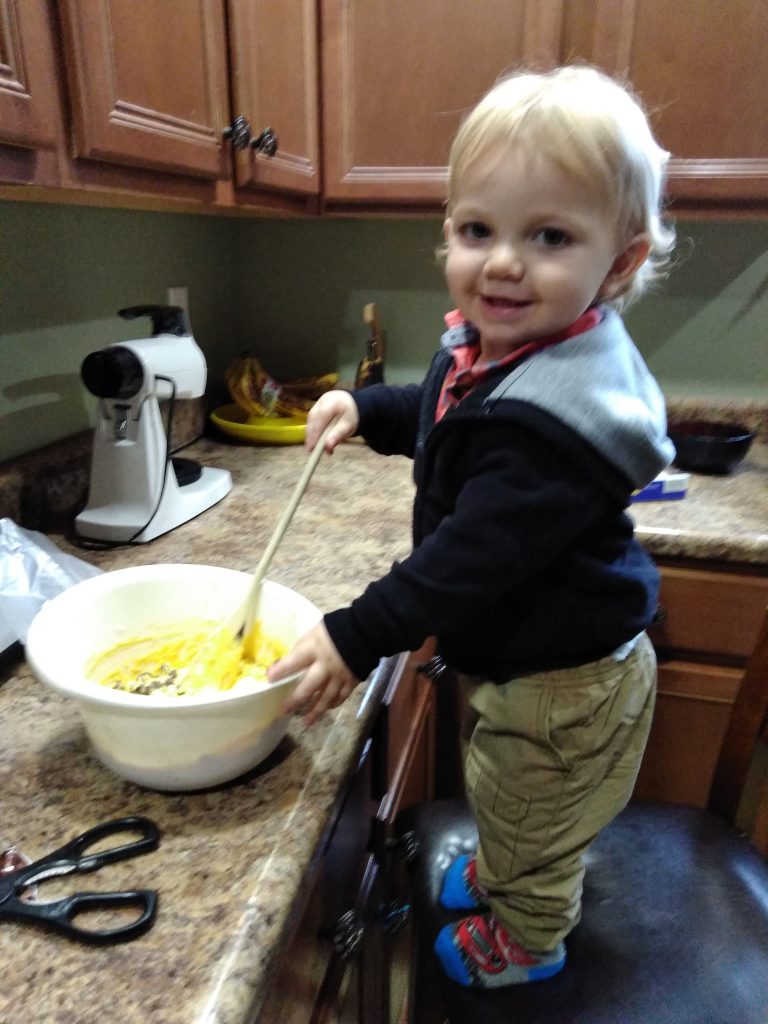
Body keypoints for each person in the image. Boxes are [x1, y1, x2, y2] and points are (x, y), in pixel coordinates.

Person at [269, 64, 676, 989]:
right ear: (448, 231)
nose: (501, 260)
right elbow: (446, 414)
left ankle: (528, 938)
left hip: (565, 687)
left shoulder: (553, 427)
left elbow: (464, 562)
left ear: (619, 261)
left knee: (533, 806)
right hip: (534, 665)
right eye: (476, 229)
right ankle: (505, 868)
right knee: (508, 792)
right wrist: (366, 407)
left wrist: (353, 634)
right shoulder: (510, 353)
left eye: (549, 235)